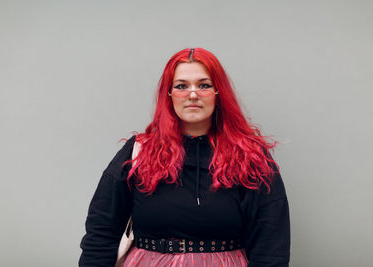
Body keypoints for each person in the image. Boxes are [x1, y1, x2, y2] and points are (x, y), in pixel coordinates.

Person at [79, 47, 290, 267]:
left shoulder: (251, 157)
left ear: (219, 93)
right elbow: (101, 232)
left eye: (204, 85)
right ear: (168, 94)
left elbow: (271, 245)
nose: (192, 94)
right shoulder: (138, 153)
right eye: (181, 86)